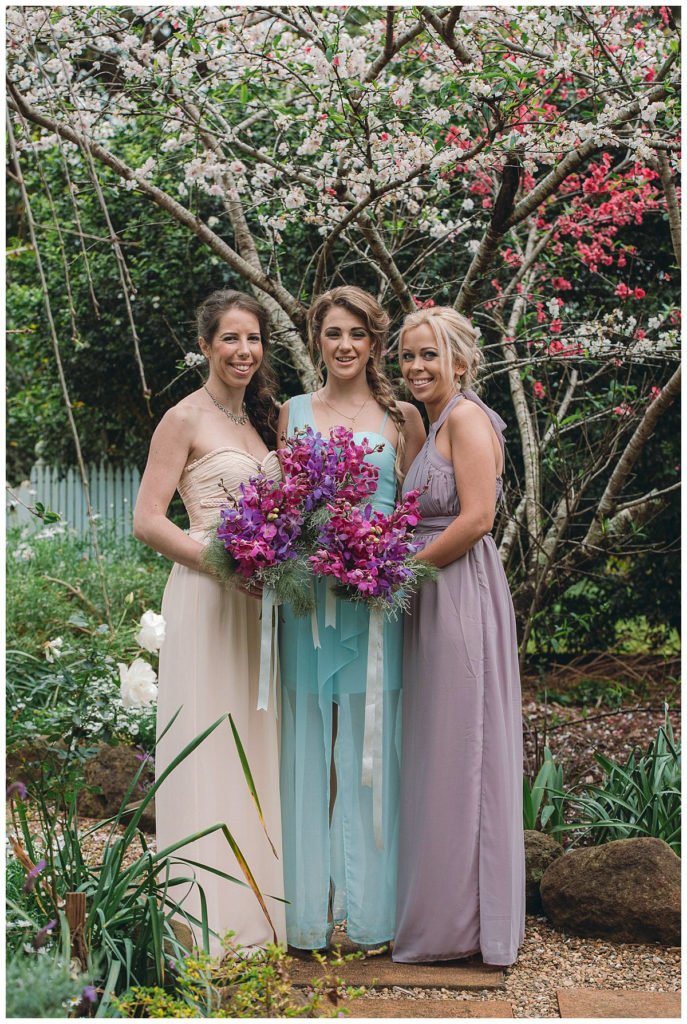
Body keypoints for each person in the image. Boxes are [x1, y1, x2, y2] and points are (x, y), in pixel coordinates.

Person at [133, 289, 287, 954]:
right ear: (205, 345)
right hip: (205, 594)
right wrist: (224, 566)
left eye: (252, 339)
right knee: (208, 739)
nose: (243, 351)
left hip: (261, 605)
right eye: (230, 339)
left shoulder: (265, 423)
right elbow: (145, 521)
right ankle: (202, 925)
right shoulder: (182, 418)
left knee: (258, 743)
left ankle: (263, 912)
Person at [278, 286, 425, 951]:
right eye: (332, 333)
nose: (344, 345)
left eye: (357, 334)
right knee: (309, 748)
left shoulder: (402, 418)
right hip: (309, 605)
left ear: (374, 342)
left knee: (369, 752)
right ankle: (306, 917)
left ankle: (369, 918)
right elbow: (282, 506)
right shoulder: (292, 412)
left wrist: (377, 557)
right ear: (317, 340)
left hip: (373, 604)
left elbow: (414, 517)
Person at [393, 305, 525, 966]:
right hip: (429, 592)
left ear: (461, 362)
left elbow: (474, 519)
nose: (416, 367)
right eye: (409, 356)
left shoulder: (468, 419)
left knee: (462, 750)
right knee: (438, 750)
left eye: (428, 356)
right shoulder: (434, 421)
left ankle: (465, 925)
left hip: (456, 595)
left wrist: (397, 572)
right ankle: (442, 909)